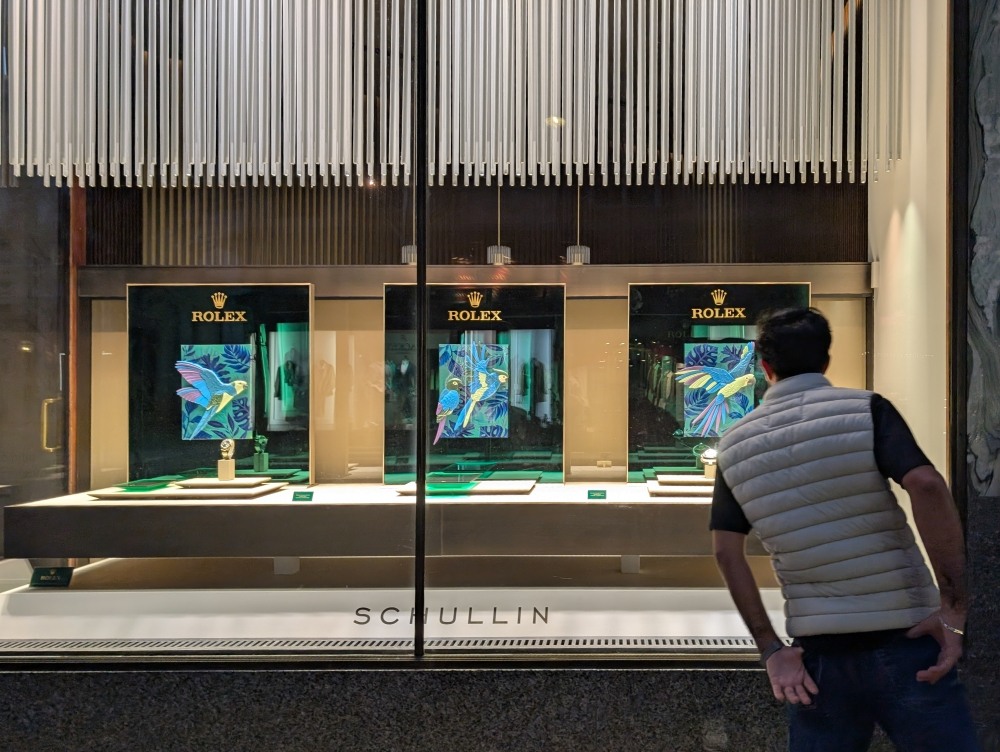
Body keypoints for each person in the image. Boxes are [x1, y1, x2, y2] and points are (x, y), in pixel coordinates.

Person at [710, 308, 979, 751]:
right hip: (907, 639)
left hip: (818, 659)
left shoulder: (734, 444)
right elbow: (927, 485)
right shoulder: (865, 410)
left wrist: (770, 649)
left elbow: (725, 551)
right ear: (826, 360)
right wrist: (954, 605)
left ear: (764, 367)